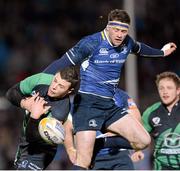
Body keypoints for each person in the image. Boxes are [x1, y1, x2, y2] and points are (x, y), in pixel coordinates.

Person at [43, 9, 176, 169]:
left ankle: (100, 142)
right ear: (108, 27)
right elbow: (63, 61)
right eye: (116, 30)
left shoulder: (127, 42)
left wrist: (162, 52)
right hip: (87, 105)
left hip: (108, 105)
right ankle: (90, 146)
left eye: (124, 31)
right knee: (83, 162)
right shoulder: (91, 43)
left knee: (143, 141)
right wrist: (39, 81)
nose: (120, 35)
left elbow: (140, 49)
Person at [6, 67, 79, 170]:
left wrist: (35, 116)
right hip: (24, 143)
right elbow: (11, 93)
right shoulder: (42, 79)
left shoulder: (60, 112)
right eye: (55, 81)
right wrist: (25, 104)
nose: (54, 87)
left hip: (42, 151)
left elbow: (33, 137)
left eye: (61, 86)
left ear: (69, 91)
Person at [64, 88, 147, 170]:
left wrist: (137, 149)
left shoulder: (121, 95)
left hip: (119, 153)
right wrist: (70, 149)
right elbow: (68, 126)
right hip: (93, 155)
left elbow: (136, 119)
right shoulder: (81, 97)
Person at [132, 71, 180, 170]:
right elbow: (139, 136)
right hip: (161, 167)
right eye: (161, 88)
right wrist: (138, 150)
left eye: (169, 88)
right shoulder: (151, 112)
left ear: (178, 90)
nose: (164, 91)